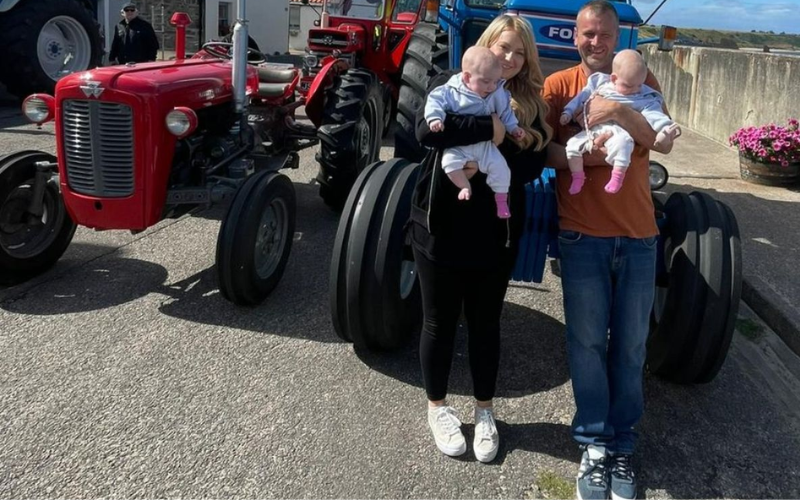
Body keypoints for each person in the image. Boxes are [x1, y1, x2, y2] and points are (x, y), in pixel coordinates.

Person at [542, 1, 675, 499]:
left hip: (640, 235)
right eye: (587, 34)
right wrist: (592, 156)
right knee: (588, 345)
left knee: (631, 347)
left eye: (604, 35)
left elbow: (659, 143)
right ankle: (594, 445)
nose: (594, 42)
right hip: (582, 236)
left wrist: (618, 110)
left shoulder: (642, 82)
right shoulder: (558, 87)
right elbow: (546, 150)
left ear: (619, 38)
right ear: (575, 36)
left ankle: (624, 443)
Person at [409, 14, 552, 463]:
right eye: (503, 47)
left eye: (518, 52)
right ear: (487, 45)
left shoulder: (529, 101)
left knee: (486, 324)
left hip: (497, 230)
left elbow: (531, 165)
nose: (509, 59)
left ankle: (486, 412)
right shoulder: (450, 80)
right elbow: (422, 134)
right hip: (440, 224)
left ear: (527, 60)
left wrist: (482, 139)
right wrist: (491, 132)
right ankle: (438, 408)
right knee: (438, 321)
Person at [424, 46, 527, 218]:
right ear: (467, 77)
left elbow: (506, 113)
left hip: (485, 147)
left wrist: (514, 128)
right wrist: (435, 118)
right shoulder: (451, 89)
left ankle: (501, 200)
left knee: (501, 169)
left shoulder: (498, 92)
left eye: (495, 81)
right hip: (459, 147)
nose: (492, 86)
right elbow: (434, 103)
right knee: (449, 162)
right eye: (486, 82)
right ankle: (464, 186)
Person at [559, 49, 681, 194]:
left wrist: (665, 128)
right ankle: (578, 177)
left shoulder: (642, 94)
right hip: (592, 131)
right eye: (629, 86)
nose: (635, 90)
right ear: (613, 79)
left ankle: (617, 177)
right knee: (572, 146)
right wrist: (568, 111)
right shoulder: (599, 84)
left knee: (623, 145)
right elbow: (581, 97)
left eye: (639, 85)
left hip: (617, 132)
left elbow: (654, 113)